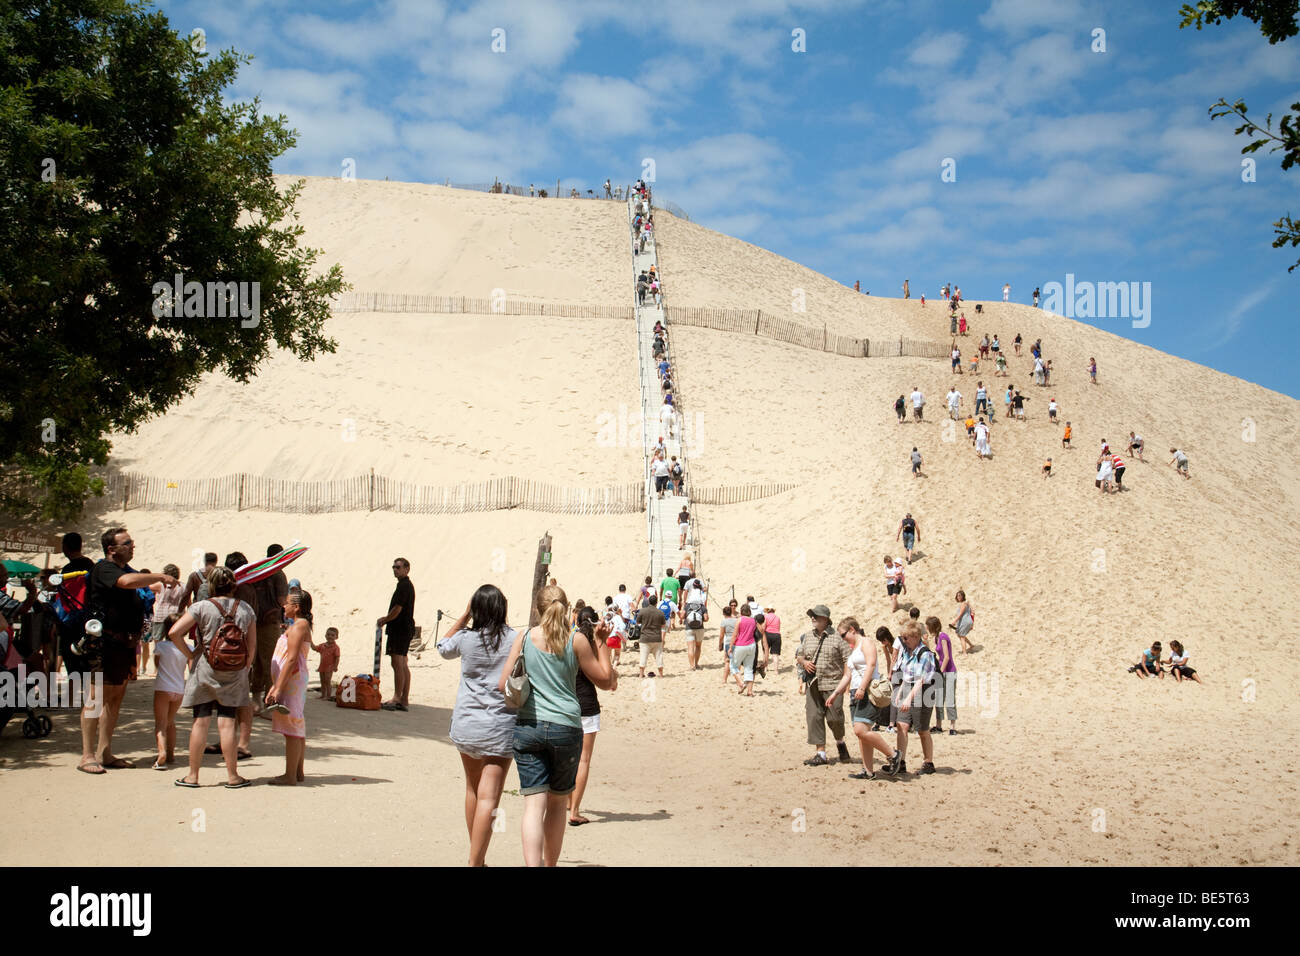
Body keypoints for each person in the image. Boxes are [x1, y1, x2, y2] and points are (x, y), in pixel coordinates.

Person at [498, 585, 614, 867]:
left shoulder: (524, 636)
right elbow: (606, 680)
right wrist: (602, 643)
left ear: (538, 609)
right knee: (557, 806)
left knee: (533, 806)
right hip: (566, 727)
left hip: (530, 725)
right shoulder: (576, 640)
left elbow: (503, 684)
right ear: (567, 607)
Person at [80, 528, 177, 774]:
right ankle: (87, 755)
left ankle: (105, 752)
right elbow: (126, 583)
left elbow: (139, 582)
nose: (132, 546)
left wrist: (159, 584)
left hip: (124, 646)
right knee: (95, 699)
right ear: (112, 549)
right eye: (127, 543)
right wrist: (160, 577)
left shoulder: (126, 570)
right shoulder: (105, 569)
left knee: (114, 699)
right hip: (104, 644)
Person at [436, 586, 517, 864]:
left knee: (473, 789)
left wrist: (464, 615)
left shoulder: (466, 638)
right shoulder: (515, 639)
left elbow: (442, 647)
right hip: (500, 725)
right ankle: (475, 860)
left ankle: (477, 857)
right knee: (490, 797)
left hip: (468, 723)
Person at [169, 565, 253, 788]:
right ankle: (233, 776)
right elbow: (251, 646)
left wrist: (190, 655)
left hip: (205, 667)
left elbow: (173, 632)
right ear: (234, 585)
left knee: (201, 722)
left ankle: (193, 776)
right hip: (234, 671)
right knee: (227, 723)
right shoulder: (245, 609)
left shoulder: (202, 606)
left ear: (211, 585)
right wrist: (245, 666)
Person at [825, 617, 896, 779]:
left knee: (860, 730)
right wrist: (835, 693)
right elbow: (847, 675)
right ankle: (868, 770)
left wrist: (863, 687)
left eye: (843, 635)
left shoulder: (866, 642)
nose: (843, 639)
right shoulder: (853, 648)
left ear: (852, 630)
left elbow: (871, 665)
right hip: (855, 692)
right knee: (862, 733)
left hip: (867, 690)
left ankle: (893, 754)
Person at [570, 605, 617, 827]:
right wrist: (602, 641)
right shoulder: (590, 645)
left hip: (566, 706)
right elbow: (608, 682)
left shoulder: (569, 641)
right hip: (586, 707)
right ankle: (575, 810)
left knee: (568, 759)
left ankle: (568, 802)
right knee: (583, 760)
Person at [264, 589, 311, 785]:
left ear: (297, 607)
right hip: (289, 681)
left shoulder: (300, 626)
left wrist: (278, 688)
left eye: (288, 603)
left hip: (291, 682)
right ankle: (297, 772)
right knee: (295, 725)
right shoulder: (297, 625)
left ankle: (290, 775)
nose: (284, 605)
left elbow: (291, 659)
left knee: (292, 726)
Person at [796, 605, 851, 765]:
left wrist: (846, 681)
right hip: (813, 684)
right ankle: (821, 753)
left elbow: (847, 659)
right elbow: (799, 656)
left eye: (816, 616)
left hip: (834, 684)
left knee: (835, 718)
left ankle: (840, 742)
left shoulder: (838, 638)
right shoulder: (807, 636)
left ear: (825, 619)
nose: (812, 618)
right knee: (814, 717)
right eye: (812, 615)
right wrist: (804, 662)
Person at [889, 621, 937, 775]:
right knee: (901, 725)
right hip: (909, 688)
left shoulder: (925, 654)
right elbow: (906, 676)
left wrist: (909, 698)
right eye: (902, 638)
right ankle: (900, 762)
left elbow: (921, 680)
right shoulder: (908, 652)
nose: (904, 641)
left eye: (906, 638)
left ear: (916, 637)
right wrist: (900, 693)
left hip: (923, 692)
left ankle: (928, 762)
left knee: (922, 729)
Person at [251, 544, 290, 716]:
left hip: (254, 621)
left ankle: (256, 702)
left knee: (258, 662)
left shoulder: (259, 570)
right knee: (271, 663)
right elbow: (282, 600)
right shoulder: (278, 573)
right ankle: (269, 704)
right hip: (269, 622)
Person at [379, 558, 415, 711]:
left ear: (406, 569)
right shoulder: (404, 585)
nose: (395, 569)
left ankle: (397, 697)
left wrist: (385, 619)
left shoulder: (404, 586)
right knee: (403, 663)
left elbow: (397, 609)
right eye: (393, 567)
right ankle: (404, 698)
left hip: (400, 629)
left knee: (397, 663)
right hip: (404, 628)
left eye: (398, 567)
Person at [927, 617, 958, 735]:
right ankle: (938, 725)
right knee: (939, 699)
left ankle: (952, 726)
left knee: (950, 698)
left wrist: (940, 671)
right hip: (940, 670)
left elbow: (946, 657)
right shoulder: (936, 638)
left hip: (949, 671)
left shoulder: (943, 636)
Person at [635, 597, 666, 678]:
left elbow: (637, 622)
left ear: (649, 602)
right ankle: (661, 674)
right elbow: (663, 625)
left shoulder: (643, 611)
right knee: (659, 657)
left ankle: (641, 674)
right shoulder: (660, 612)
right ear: (656, 602)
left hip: (645, 637)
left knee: (643, 657)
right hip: (656, 637)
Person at [682, 578, 708, 670]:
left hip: (689, 627)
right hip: (700, 627)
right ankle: (696, 664)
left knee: (690, 647)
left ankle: (691, 666)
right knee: (698, 646)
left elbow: (682, 616)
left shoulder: (687, 605)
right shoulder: (702, 605)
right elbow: (706, 618)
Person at [311, 627, 340, 699]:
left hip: (330, 667)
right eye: (328, 634)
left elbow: (337, 657)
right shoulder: (322, 646)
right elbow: (315, 648)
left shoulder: (336, 647)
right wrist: (310, 642)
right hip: (322, 666)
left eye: (332, 635)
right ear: (325, 635)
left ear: (336, 637)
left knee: (327, 681)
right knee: (322, 681)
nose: (330, 636)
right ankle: (323, 695)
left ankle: (328, 696)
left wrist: (335, 666)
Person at [718, 605, 737, 680]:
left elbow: (721, 635)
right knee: (736, 661)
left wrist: (720, 645)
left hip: (728, 641)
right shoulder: (736, 620)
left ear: (724, 614)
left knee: (727, 661)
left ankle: (724, 679)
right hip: (737, 641)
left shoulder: (724, 622)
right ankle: (736, 677)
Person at [762, 605, 782, 676]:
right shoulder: (777, 617)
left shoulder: (765, 616)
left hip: (767, 634)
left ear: (767, 610)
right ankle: (776, 671)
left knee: (765, 652)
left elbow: (764, 626)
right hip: (777, 635)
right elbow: (778, 628)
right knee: (775, 654)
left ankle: (765, 668)